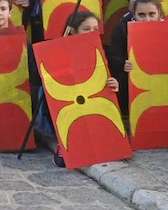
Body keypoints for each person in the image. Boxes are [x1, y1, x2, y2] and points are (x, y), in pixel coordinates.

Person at [51, 10, 119, 167]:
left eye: (95, 29)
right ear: (73, 31)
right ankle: (64, 143)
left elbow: (107, 83)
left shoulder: (102, 53)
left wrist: (114, 84)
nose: (91, 33)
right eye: (86, 29)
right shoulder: (59, 52)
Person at [107, 0, 164, 116]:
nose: (147, 19)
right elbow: (112, 55)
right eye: (141, 15)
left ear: (159, 13)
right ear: (134, 14)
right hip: (130, 85)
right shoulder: (121, 29)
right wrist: (123, 64)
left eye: (151, 14)